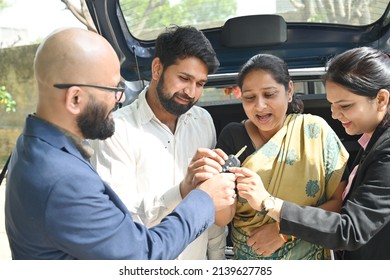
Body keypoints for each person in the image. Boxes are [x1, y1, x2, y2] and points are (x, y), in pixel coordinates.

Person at [4, 27, 237, 260]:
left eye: (200, 84)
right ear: (75, 98)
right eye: (114, 89)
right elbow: (140, 256)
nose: (122, 98)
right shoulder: (65, 180)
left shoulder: (33, 145)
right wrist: (201, 198)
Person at [229, 47, 390, 259]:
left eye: (345, 105)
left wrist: (269, 204)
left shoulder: (386, 152)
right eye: (331, 104)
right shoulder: (372, 142)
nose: (334, 114)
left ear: (381, 99)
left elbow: (349, 229)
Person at [90, 25, 227, 260]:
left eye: (200, 84)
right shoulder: (116, 130)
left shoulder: (203, 121)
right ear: (157, 68)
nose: (191, 92)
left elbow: (211, 210)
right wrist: (182, 192)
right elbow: (119, 220)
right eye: (184, 78)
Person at [215, 53, 349, 259]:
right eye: (250, 97)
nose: (259, 106)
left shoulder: (314, 131)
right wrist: (214, 186)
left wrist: (285, 231)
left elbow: (339, 204)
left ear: (289, 91)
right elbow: (223, 218)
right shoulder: (232, 136)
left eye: (269, 94)